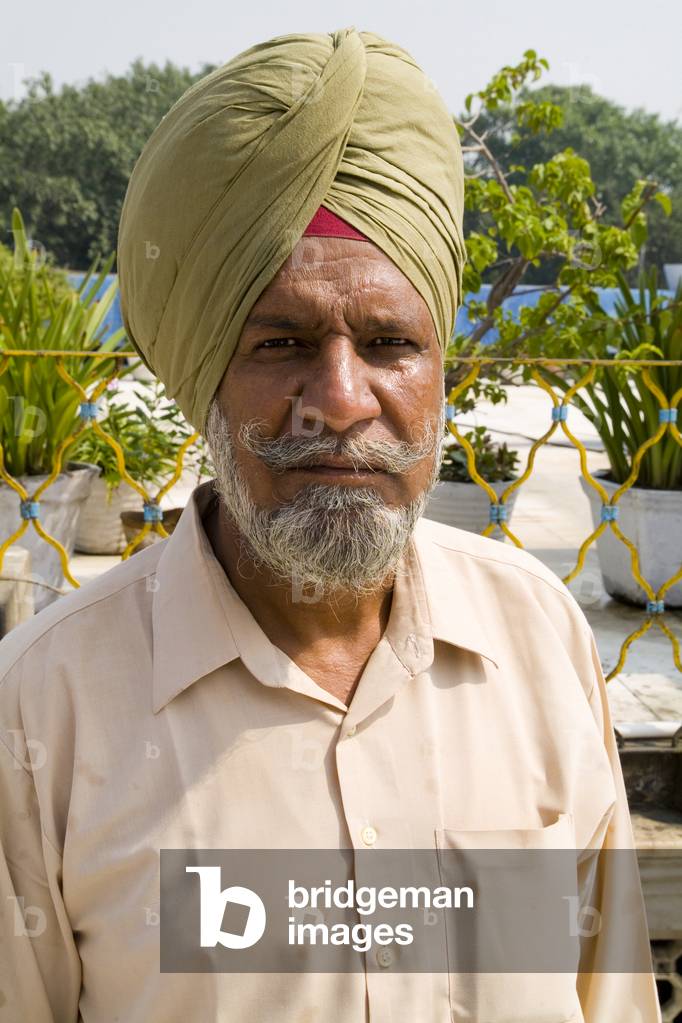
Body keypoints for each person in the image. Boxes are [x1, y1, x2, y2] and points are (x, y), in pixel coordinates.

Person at [0, 26, 660, 1023]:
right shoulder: (45, 708)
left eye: (390, 342)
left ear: (440, 375)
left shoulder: (537, 638)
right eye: (283, 342)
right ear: (205, 378)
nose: (340, 400)